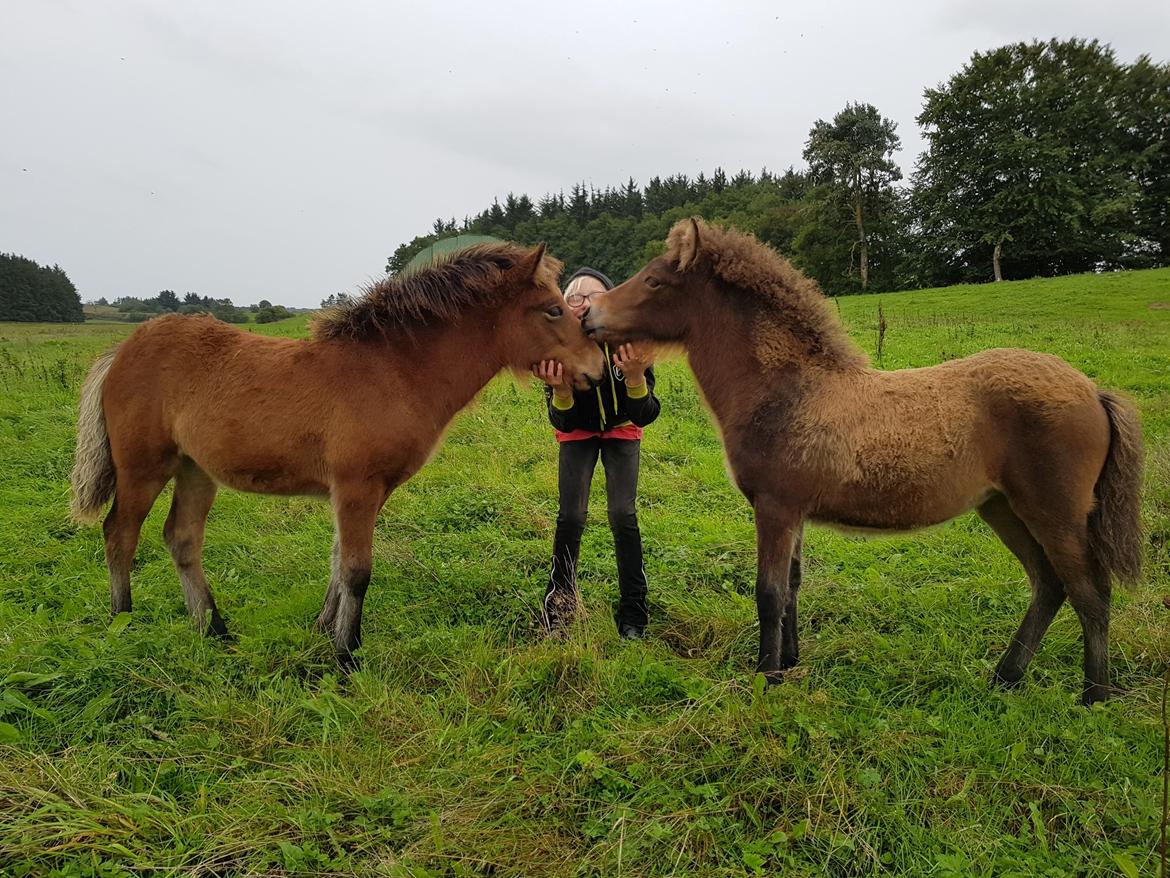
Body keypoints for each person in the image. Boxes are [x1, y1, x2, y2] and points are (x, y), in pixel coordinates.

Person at [532, 267, 661, 639]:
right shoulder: (559, 346)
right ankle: (560, 607)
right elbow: (563, 420)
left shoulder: (630, 341)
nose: (583, 302)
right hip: (578, 433)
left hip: (622, 428)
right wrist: (561, 391)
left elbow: (646, 413)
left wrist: (635, 377)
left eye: (593, 295)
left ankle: (634, 612)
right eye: (574, 296)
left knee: (623, 515)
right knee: (571, 517)